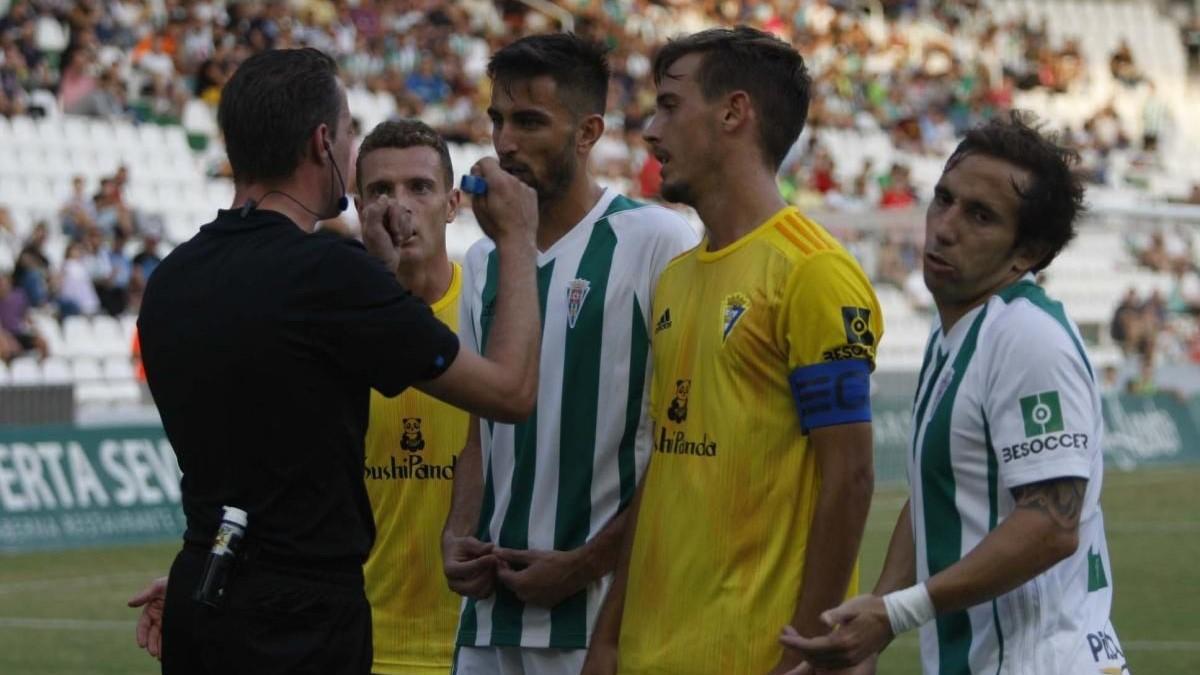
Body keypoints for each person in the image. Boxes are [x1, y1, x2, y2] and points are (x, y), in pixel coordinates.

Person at [130, 47, 542, 675]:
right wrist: (516, 239)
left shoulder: (172, 279)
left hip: (204, 588)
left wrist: (373, 275)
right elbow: (511, 393)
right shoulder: (327, 275)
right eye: (350, 134)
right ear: (323, 143)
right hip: (303, 619)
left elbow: (285, 391)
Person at [779, 113, 1128, 674]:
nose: (944, 226)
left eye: (980, 216)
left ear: (1027, 253)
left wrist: (898, 613)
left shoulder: (1026, 337)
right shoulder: (959, 336)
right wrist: (872, 626)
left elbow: (1052, 526)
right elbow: (935, 495)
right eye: (943, 199)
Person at [584, 26, 881, 675]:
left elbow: (851, 476)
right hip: (649, 654)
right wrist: (608, 635)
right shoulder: (677, 277)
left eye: (668, 104)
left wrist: (809, 651)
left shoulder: (812, 273)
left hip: (751, 657)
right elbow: (665, 468)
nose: (649, 131)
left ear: (733, 112)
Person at [444, 33, 697, 674]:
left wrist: (588, 562)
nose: (505, 143)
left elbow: (681, 442)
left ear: (587, 133)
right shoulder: (483, 258)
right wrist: (455, 534)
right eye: (498, 120)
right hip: (487, 620)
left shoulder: (656, 241)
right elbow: (478, 430)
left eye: (530, 121)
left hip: (599, 621)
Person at [355, 119, 470, 674]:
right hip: (359, 647)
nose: (398, 207)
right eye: (380, 191)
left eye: (419, 188)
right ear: (359, 208)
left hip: (480, 647)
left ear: (451, 204)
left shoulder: (495, 311)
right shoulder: (332, 324)